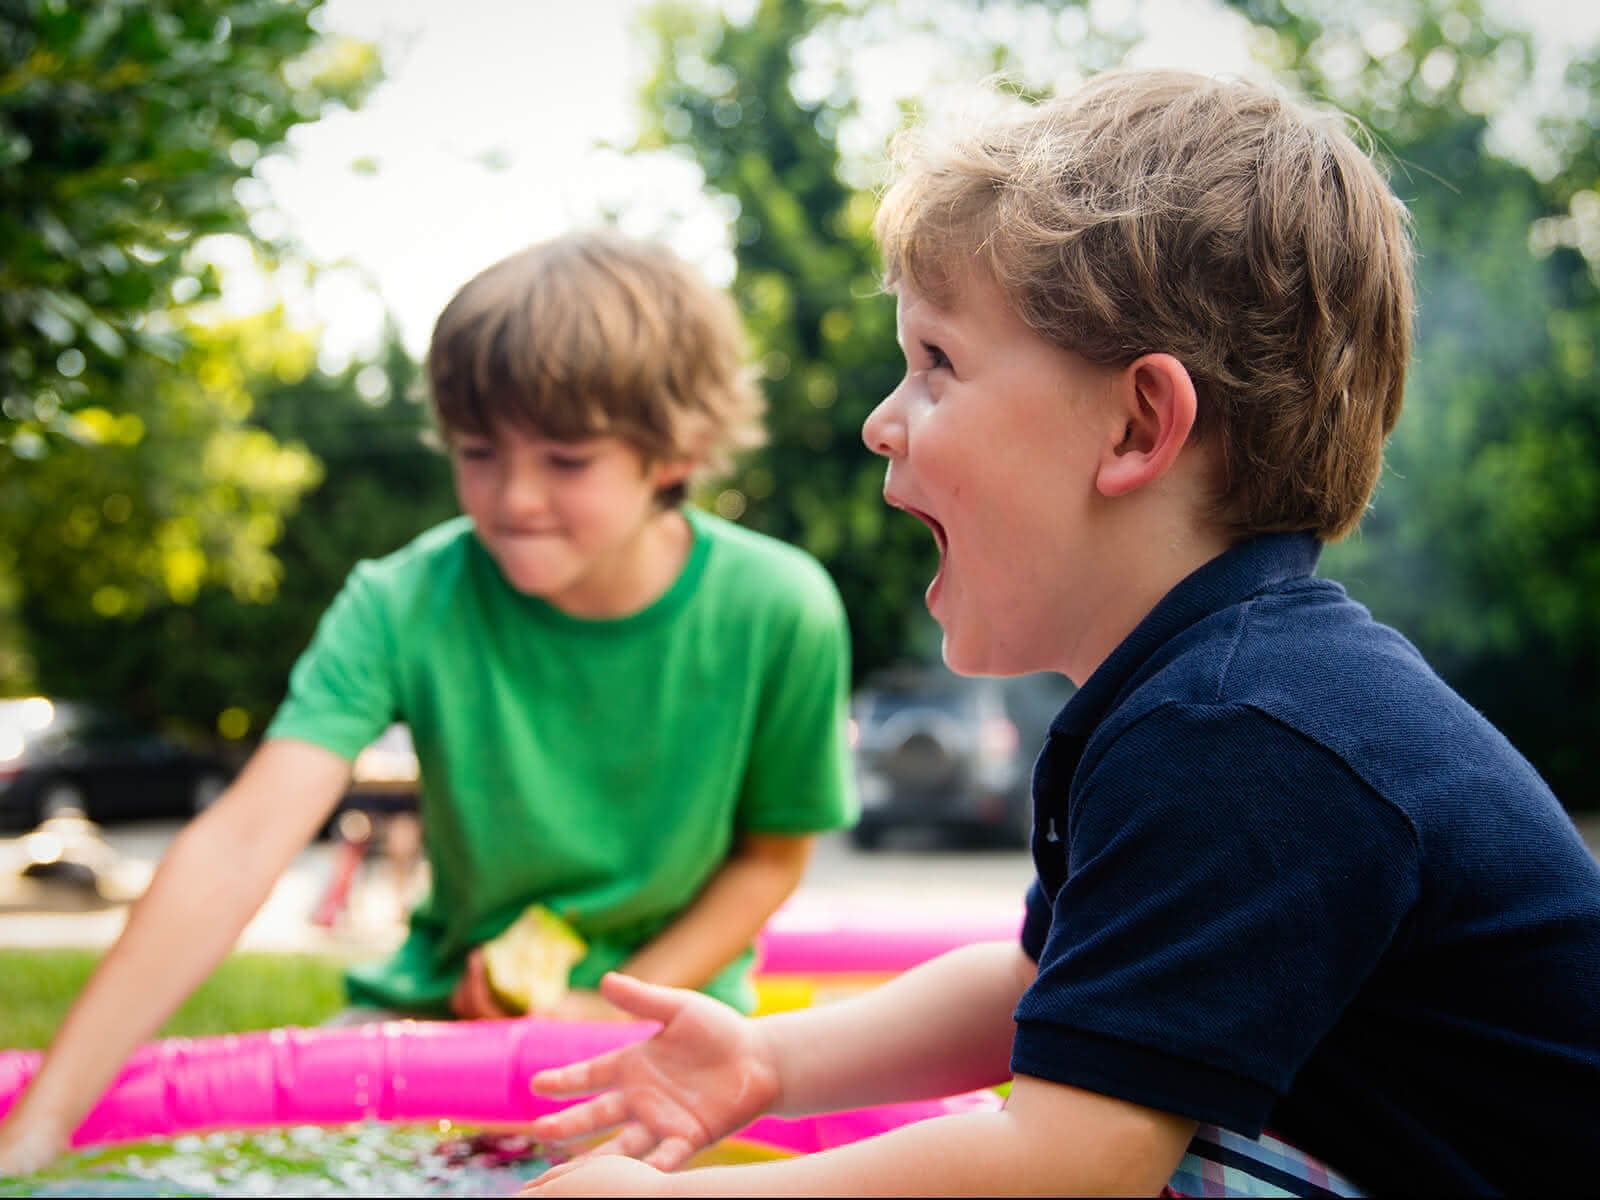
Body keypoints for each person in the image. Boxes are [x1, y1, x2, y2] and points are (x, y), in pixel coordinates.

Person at [510, 69, 1600, 1197]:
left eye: (936, 363)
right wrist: (767, 1060)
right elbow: (1039, 984)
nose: (883, 420)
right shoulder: (1201, 697)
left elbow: (1067, 1168)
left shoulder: (1246, 734)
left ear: (1136, 425)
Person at [0, 229, 859, 1175]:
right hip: (437, 1016)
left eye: (566, 460)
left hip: (671, 1027)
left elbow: (771, 858)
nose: (513, 498)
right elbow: (239, 845)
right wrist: (41, 1128)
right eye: (478, 452)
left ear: (678, 450)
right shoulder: (402, 598)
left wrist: (608, 1002)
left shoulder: (781, 608)